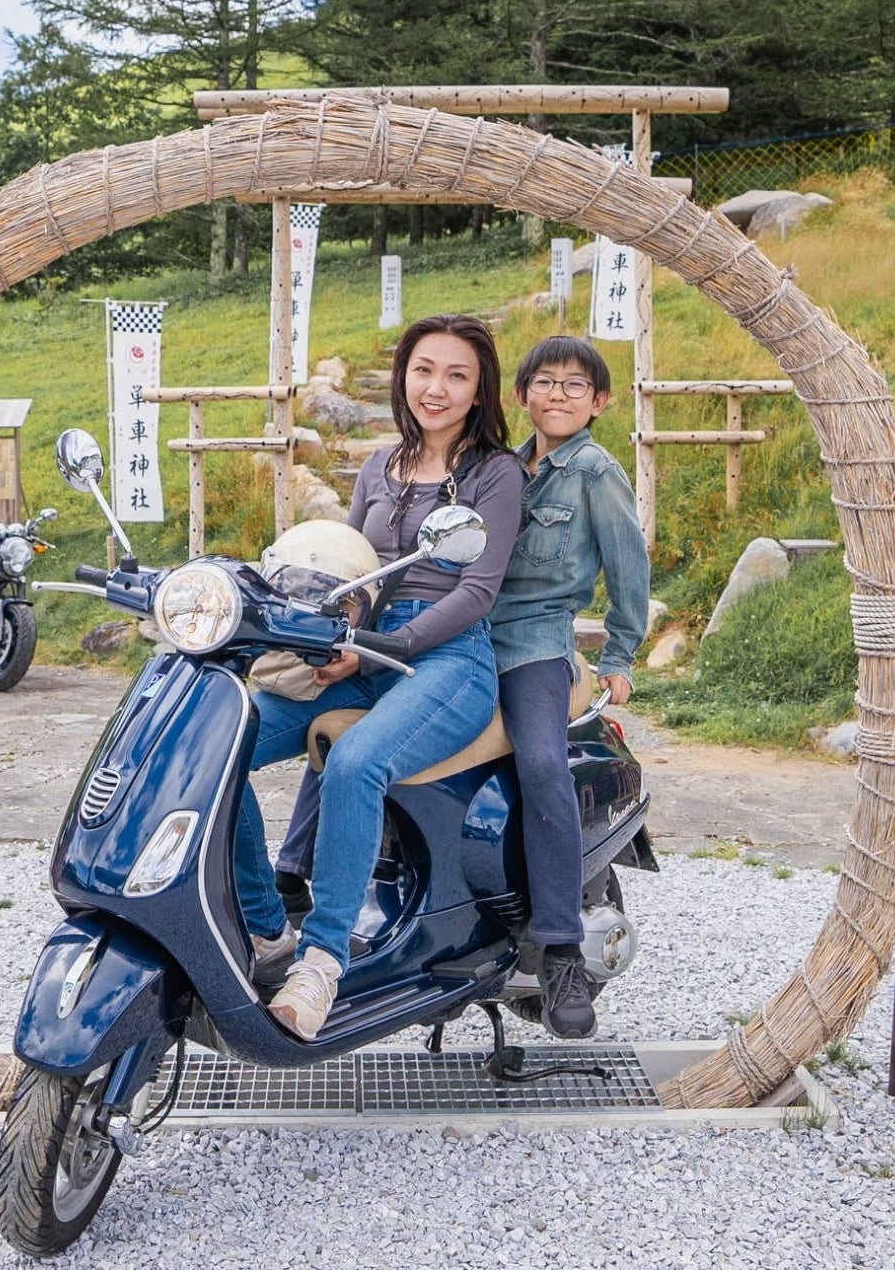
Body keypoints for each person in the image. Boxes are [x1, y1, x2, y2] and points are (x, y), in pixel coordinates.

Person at [234, 314, 523, 1041]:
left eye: (458, 374)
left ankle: (323, 960)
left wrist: (380, 644)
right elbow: (349, 571)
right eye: (425, 369)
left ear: (480, 387)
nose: (437, 387)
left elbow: (474, 594)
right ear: (404, 375)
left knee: (358, 763)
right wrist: (322, 632)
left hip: (450, 659)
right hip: (364, 649)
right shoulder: (378, 466)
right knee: (221, 738)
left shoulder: (496, 473)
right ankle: (268, 928)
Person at [489, 335, 650, 1038]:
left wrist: (619, 654)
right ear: (520, 395)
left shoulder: (595, 472)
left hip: (536, 643)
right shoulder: (497, 467)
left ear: (601, 402)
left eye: (574, 385)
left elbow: (629, 567)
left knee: (544, 765)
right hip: (462, 634)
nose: (557, 394)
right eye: (544, 382)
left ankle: (559, 951)